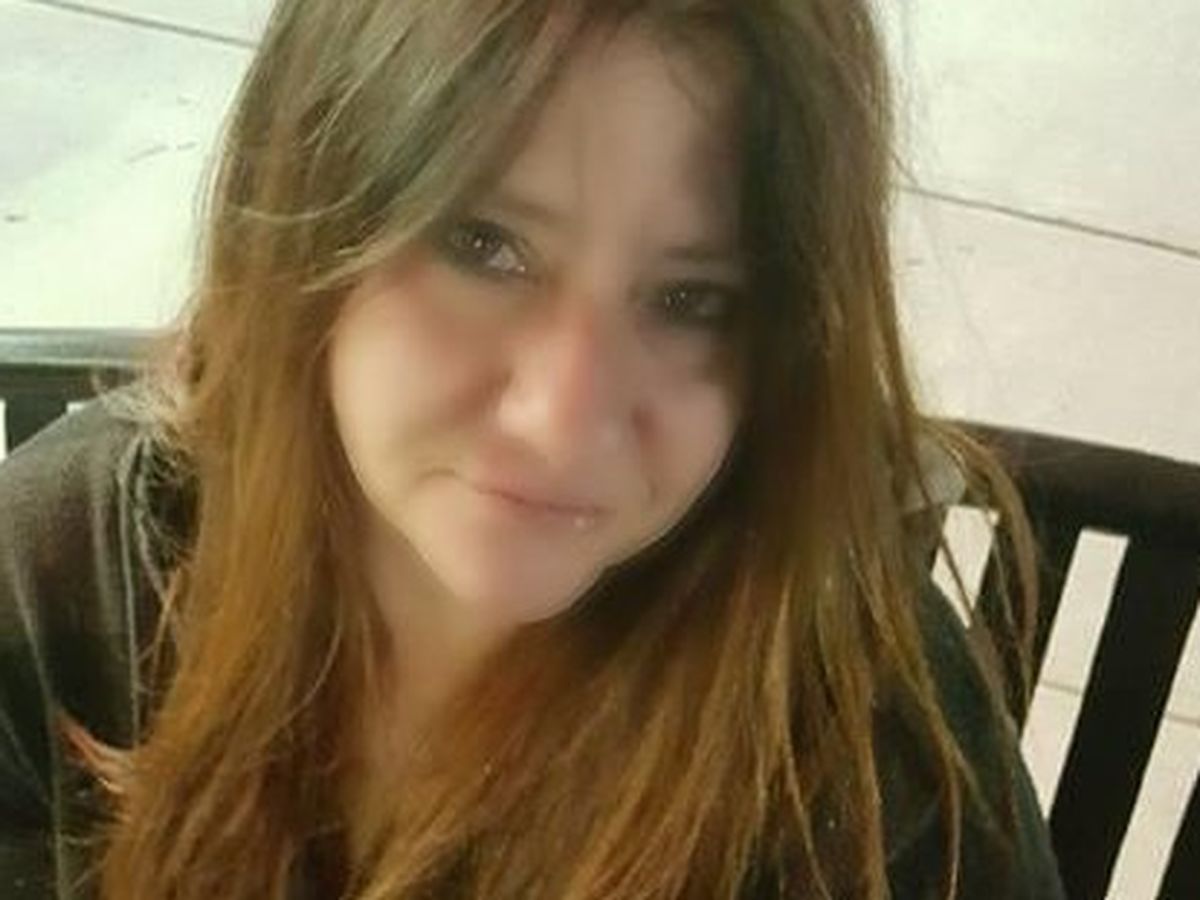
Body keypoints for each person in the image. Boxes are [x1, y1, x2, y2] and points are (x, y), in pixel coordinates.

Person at [0, 1, 1067, 897]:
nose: (566, 418)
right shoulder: (67, 578)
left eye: (691, 300)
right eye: (485, 245)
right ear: (305, 222)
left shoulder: (872, 747)